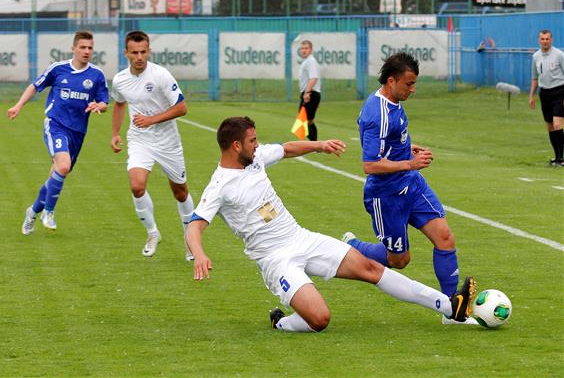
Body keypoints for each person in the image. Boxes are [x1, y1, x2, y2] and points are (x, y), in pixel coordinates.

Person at [186, 116, 476, 332]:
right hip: (275, 259)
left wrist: (319, 145)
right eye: (252, 141)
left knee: (371, 268)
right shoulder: (220, 186)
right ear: (236, 145)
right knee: (320, 319)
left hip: (301, 238)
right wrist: (199, 254)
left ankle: (449, 306)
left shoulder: (256, 158)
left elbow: (286, 148)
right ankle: (282, 323)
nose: (257, 144)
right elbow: (195, 225)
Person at [341, 52, 476, 325]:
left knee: (445, 238)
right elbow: (370, 165)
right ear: (391, 81)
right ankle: (352, 245)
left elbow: (390, 141)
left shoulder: (393, 101)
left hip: (412, 184)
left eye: (414, 84)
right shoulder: (376, 115)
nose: (412, 90)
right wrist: (410, 162)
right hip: (386, 195)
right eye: (408, 84)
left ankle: (453, 311)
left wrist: (406, 151)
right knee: (400, 260)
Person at [7, 31, 109, 234]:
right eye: (82, 47)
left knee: (56, 175)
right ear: (73, 48)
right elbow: (35, 86)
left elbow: (105, 101)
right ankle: (49, 212)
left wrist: (99, 106)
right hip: (55, 125)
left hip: (78, 132)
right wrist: (19, 105)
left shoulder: (96, 75)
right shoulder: (58, 69)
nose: (87, 51)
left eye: (90, 48)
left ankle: (33, 212)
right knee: (63, 166)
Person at [111, 30, 195, 259]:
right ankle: (152, 232)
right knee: (137, 186)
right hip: (139, 139)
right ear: (126, 53)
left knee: (180, 192)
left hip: (168, 141)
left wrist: (151, 119)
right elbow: (119, 103)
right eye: (135, 52)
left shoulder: (161, 75)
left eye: (143, 52)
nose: (139, 57)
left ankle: (191, 239)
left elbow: (182, 107)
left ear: (149, 51)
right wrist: (115, 133)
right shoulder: (119, 79)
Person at [528, 29, 564, 167]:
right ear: (539, 40)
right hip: (545, 93)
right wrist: (531, 95)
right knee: (550, 127)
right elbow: (535, 77)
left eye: (547, 39)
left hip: (559, 91)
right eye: (542, 39)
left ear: (551, 40)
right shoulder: (536, 56)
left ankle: (561, 159)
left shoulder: (559, 55)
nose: (545, 41)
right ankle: (557, 157)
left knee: (557, 124)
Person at [298, 40, 321, 141]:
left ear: (311, 50)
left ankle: (314, 144)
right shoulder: (307, 61)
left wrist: (307, 93)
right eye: (302, 48)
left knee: (304, 120)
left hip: (310, 93)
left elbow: (314, 78)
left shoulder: (310, 61)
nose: (304, 50)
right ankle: (314, 144)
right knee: (307, 120)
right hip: (311, 93)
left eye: (306, 48)